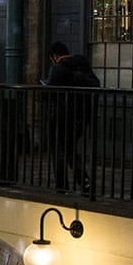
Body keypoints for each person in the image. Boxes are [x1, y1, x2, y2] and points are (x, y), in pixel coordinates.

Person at [44, 41, 100, 191]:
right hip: (81, 115)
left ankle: (62, 185)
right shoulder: (83, 65)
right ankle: (84, 182)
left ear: (55, 56)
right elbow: (96, 83)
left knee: (58, 150)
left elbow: (49, 92)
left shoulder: (58, 69)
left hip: (62, 115)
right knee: (69, 149)